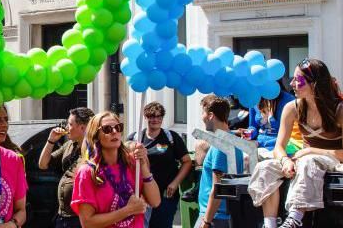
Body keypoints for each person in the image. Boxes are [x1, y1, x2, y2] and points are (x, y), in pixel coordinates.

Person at [248, 59, 343, 228]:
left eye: (298, 80)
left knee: (308, 161)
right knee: (265, 166)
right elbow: (279, 147)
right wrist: (285, 161)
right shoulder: (292, 108)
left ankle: (295, 219)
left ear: (314, 84)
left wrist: (310, 150)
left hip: (333, 159)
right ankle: (269, 223)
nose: (292, 83)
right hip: (304, 158)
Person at [71, 111, 160, 228]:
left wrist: (143, 166)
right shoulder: (87, 172)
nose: (114, 132)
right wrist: (127, 210)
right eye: (107, 129)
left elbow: (155, 201)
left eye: (118, 127)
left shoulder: (133, 164)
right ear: (96, 136)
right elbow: (87, 223)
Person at [127, 102, 191, 228]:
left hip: (165, 195)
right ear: (145, 117)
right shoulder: (135, 138)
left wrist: (175, 183)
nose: (155, 119)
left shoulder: (171, 137)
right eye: (151, 116)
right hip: (142, 195)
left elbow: (187, 161)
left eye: (159, 116)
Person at [38, 107, 93, 228]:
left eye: (70, 124)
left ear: (82, 128)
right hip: (63, 215)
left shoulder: (94, 149)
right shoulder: (68, 145)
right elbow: (43, 164)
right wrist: (51, 140)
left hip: (80, 218)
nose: (67, 128)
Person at [195, 96, 245, 228]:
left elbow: (219, 188)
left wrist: (206, 221)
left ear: (210, 115)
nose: (202, 117)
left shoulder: (220, 144)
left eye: (203, 113)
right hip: (221, 216)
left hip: (214, 217)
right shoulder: (232, 140)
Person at [239, 81, 296, 151]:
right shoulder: (255, 98)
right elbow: (253, 126)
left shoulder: (288, 100)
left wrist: (260, 144)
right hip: (258, 144)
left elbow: (291, 134)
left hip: (280, 147)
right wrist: (249, 133)